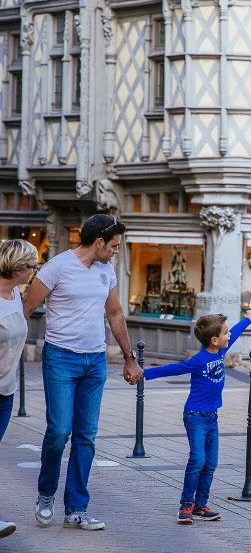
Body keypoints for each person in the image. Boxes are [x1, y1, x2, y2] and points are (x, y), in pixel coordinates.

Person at [23, 214, 143, 531]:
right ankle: (46, 494)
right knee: (60, 431)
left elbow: (115, 313)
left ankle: (76, 508)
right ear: (99, 242)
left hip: (95, 361)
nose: (117, 251)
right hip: (61, 358)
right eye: (115, 245)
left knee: (86, 437)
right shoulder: (57, 268)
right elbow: (24, 309)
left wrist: (130, 358)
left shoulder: (106, 271)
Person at [144, 309, 251, 524]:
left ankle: (200, 505)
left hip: (212, 417)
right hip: (195, 416)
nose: (228, 336)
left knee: (211, 462)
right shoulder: (199, 360)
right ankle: (185, 506)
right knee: (198, 459)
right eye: (225, 333)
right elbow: (173, 369)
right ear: (214, 340)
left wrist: (249, 317)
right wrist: (143, 374)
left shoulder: (221, 352)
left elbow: (237, 330)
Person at [0, 239, 39, 539]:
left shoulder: (15, 293)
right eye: (32, 265)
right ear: (17, 267)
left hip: (5, 389)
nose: (34, 270)